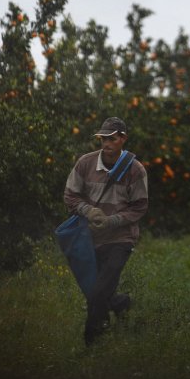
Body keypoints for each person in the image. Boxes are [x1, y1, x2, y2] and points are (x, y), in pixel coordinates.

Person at [63, 117, 148, 346]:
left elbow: (139, 206)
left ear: (123, 139)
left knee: (98, 292)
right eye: (103, 138)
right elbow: (70, 195)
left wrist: (112, 221)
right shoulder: (85, 163)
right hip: (91, 237)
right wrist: (88, 211)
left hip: (121, 238)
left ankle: (92, 344)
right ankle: (122, 304)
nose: (107, 143)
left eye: (112, 138)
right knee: (98, 291)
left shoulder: (135, 169)